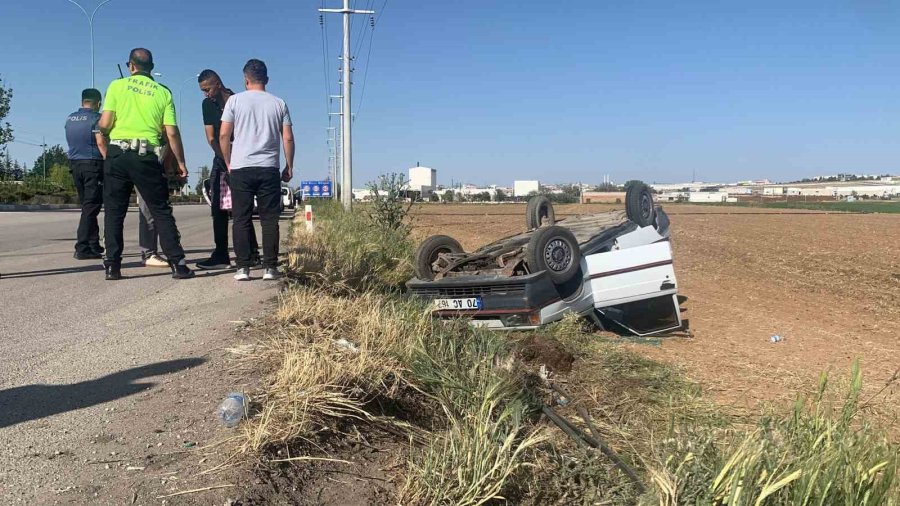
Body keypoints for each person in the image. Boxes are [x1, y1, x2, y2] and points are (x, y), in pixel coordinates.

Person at [97, 48, 194, 280]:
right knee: (160, 210)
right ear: (151, 67)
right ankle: (178, 264)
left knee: (114, 212)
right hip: (146, 156)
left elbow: (105, 123)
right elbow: (171, 132)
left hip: (118, 154)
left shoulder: (116, 86)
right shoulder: (163, 93)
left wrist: (104, 131)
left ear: (131, 66)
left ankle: (112, 266)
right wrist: (181, 163)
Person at [220, 59, 294, 281]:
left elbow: (224, 135)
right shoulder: (279, 103)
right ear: (266, 79)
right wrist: (289, 165)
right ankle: (270, 268)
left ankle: (243, 268)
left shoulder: (234, 101)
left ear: (246, 80)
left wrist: (228, 162)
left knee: (241, 218)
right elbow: (288, 138)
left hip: (241, 167)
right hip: (268, 167)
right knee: (269, 219)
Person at [195, 69, 258, 270]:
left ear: (218, 84)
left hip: (242, 158)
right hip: (221, 159)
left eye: (207, 89)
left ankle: (252, 253)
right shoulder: (207, 105)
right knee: (218, 208)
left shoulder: (239, 101)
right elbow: (211, 137)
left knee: (242, 207)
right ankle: (221, 254)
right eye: (203, 90)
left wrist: (238, 159)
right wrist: (224, 158)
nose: (206, 94)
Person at [65, 88, 105, 260]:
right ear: (98, 103)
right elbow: (100, 142)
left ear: (82, 101)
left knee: (88, 206)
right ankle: (82, 247)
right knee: (91, 206)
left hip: (75, 165)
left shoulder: (70, 118)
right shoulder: (97, 118)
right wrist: (109, 161)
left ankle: (93, 244)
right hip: (93, 164)